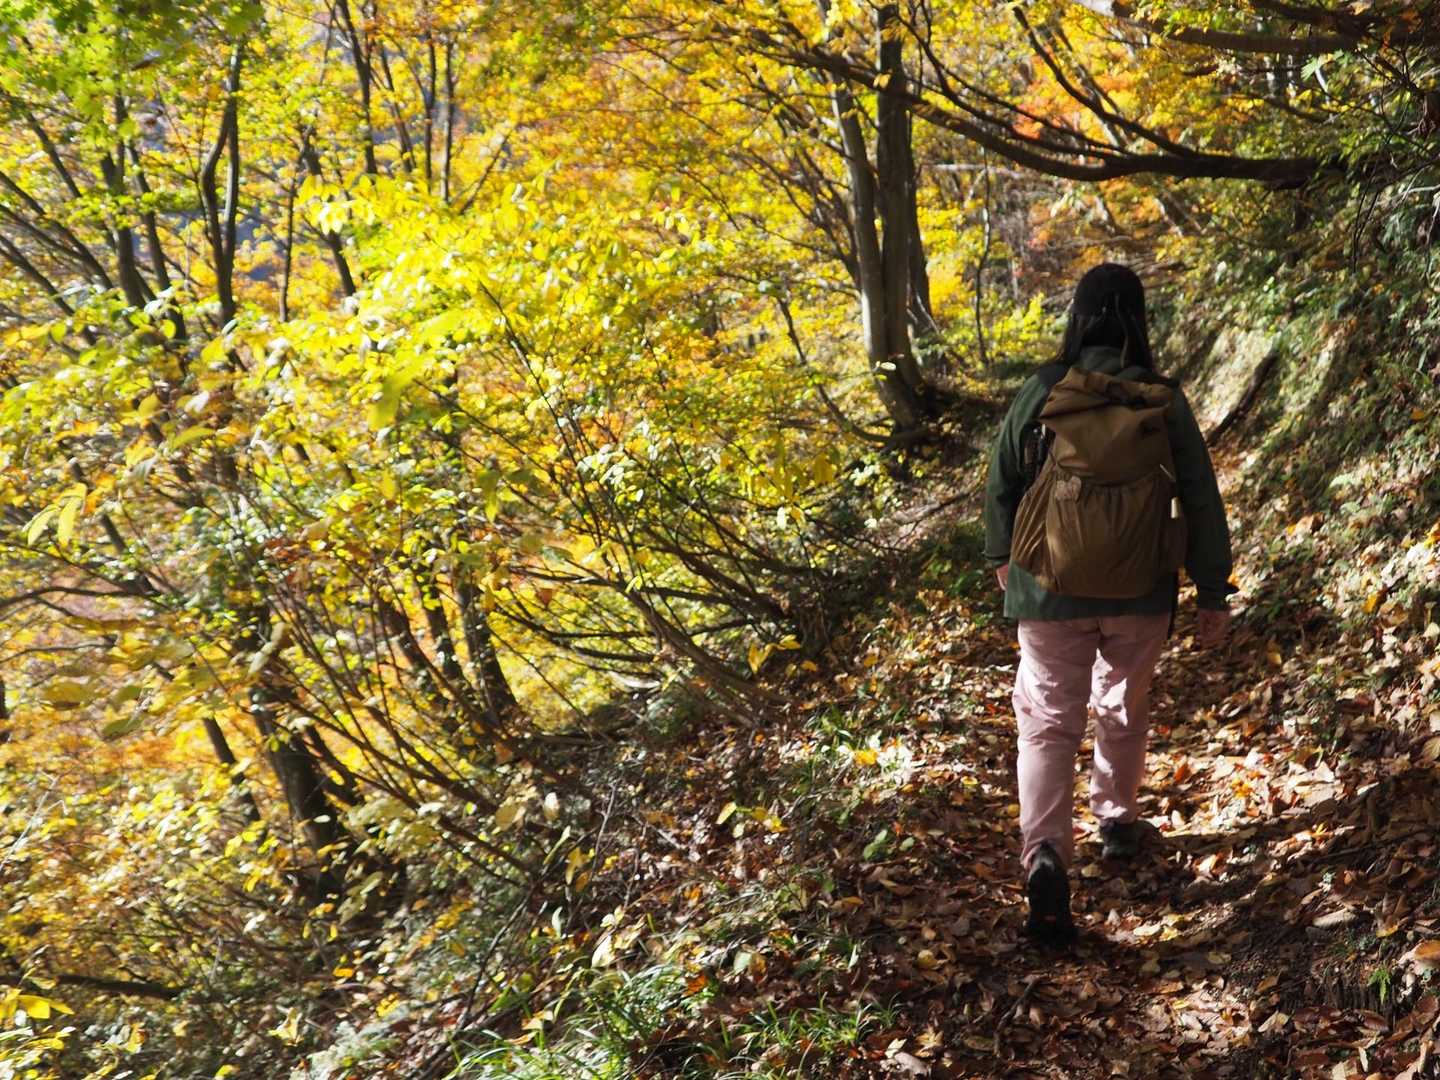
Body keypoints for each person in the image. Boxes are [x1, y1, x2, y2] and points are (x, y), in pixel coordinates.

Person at [982, 263, 1235, 946]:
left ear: (1077, 316)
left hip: (1047, 588)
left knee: (1046, 723)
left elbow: (1002, 478)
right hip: (1141, 587)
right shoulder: (1161, 397)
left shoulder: (1043, 388)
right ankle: (1117, 820)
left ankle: (1045, 854)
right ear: (1138, 321)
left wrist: (1003, 555)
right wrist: (1212, 588)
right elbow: (1200, 496)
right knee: (1123, 701)